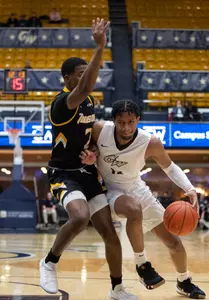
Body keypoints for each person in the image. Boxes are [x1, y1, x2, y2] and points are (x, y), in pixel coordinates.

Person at [39, 18, 151, 300]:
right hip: (63, 173)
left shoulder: (88, 103)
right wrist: (100, 47)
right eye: (80, 72)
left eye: (86, 72)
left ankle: (116, 289)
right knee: (79, 217)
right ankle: (49, 262)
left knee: (109, 234)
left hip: (87, 174)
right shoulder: (62, 104)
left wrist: (94, 152)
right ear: (67, 78)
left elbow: (87, 136)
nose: (87, 75)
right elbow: (85, 87)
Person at [81, 100, 206, 299]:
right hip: (110, 191)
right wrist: (90, 156)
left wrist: (189, 188)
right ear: (114, 121)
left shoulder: (150, 142)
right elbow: (87, 149)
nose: (126, 127)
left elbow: (170, 167)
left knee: (174, 243)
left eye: (131, 121)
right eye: (121, 122)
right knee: (133, 209)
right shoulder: (99, 130)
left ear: (138, 120)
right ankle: (143, 265)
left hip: (138, 189)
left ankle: (184, 281)